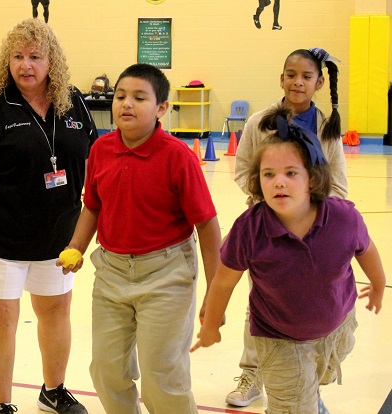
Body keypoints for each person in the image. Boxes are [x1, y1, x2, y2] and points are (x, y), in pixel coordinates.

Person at [191, 110, 386, 413]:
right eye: (269, 174)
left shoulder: (343, 218)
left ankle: (304, 400)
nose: (278, 182)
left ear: (313, 177)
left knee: (311, 384)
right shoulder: (250, 228)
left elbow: (367, 250)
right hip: (278, 337)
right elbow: (224, 281)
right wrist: (211, 326)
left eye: (291, 173)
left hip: (337, 328)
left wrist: (377, 284)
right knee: (293, 403)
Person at [0, 18, 97, 414]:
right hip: (1, 237)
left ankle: (54, 390)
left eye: (35, 56)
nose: (25, 65)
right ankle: (2, 403)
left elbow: (96, 160)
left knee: (56, 311)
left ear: (52, 61)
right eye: (17, 56)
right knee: (0, 318)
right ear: (7, 60)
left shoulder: (74, 101)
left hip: (60, 236)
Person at [58, 63, 222, 414]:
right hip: (112, 273)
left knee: (161, 373)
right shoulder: (100, 149)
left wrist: (215, 290)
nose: (126, 104)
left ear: (162, 108)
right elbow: (92, 207)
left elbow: (207, 225)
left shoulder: (177, 157)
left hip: (167, 275)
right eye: (120, 96)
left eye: (139, 97)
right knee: (106, 370)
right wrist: (75, 247)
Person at [227, 47, 348, 407]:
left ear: (320, 83)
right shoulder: (259, 123)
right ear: (281, 79)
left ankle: (309, 380)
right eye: (291, 75)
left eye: (306, 76)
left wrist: (313, 214)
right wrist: (272, 205)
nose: (298, 82)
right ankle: (252, 372)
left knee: (313, 306)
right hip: (268, 232)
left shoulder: (327, 129)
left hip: (316, 235)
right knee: (262, 304)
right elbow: (244, 169)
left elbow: (338, 184)